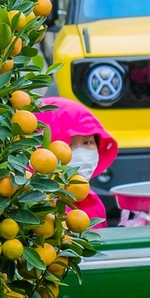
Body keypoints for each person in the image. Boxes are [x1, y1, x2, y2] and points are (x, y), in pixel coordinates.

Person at [39, 96, 117, 228]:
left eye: (88, 142)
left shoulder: (91, 201)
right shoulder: (36, 207)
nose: (81, 153)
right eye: (68, 144)